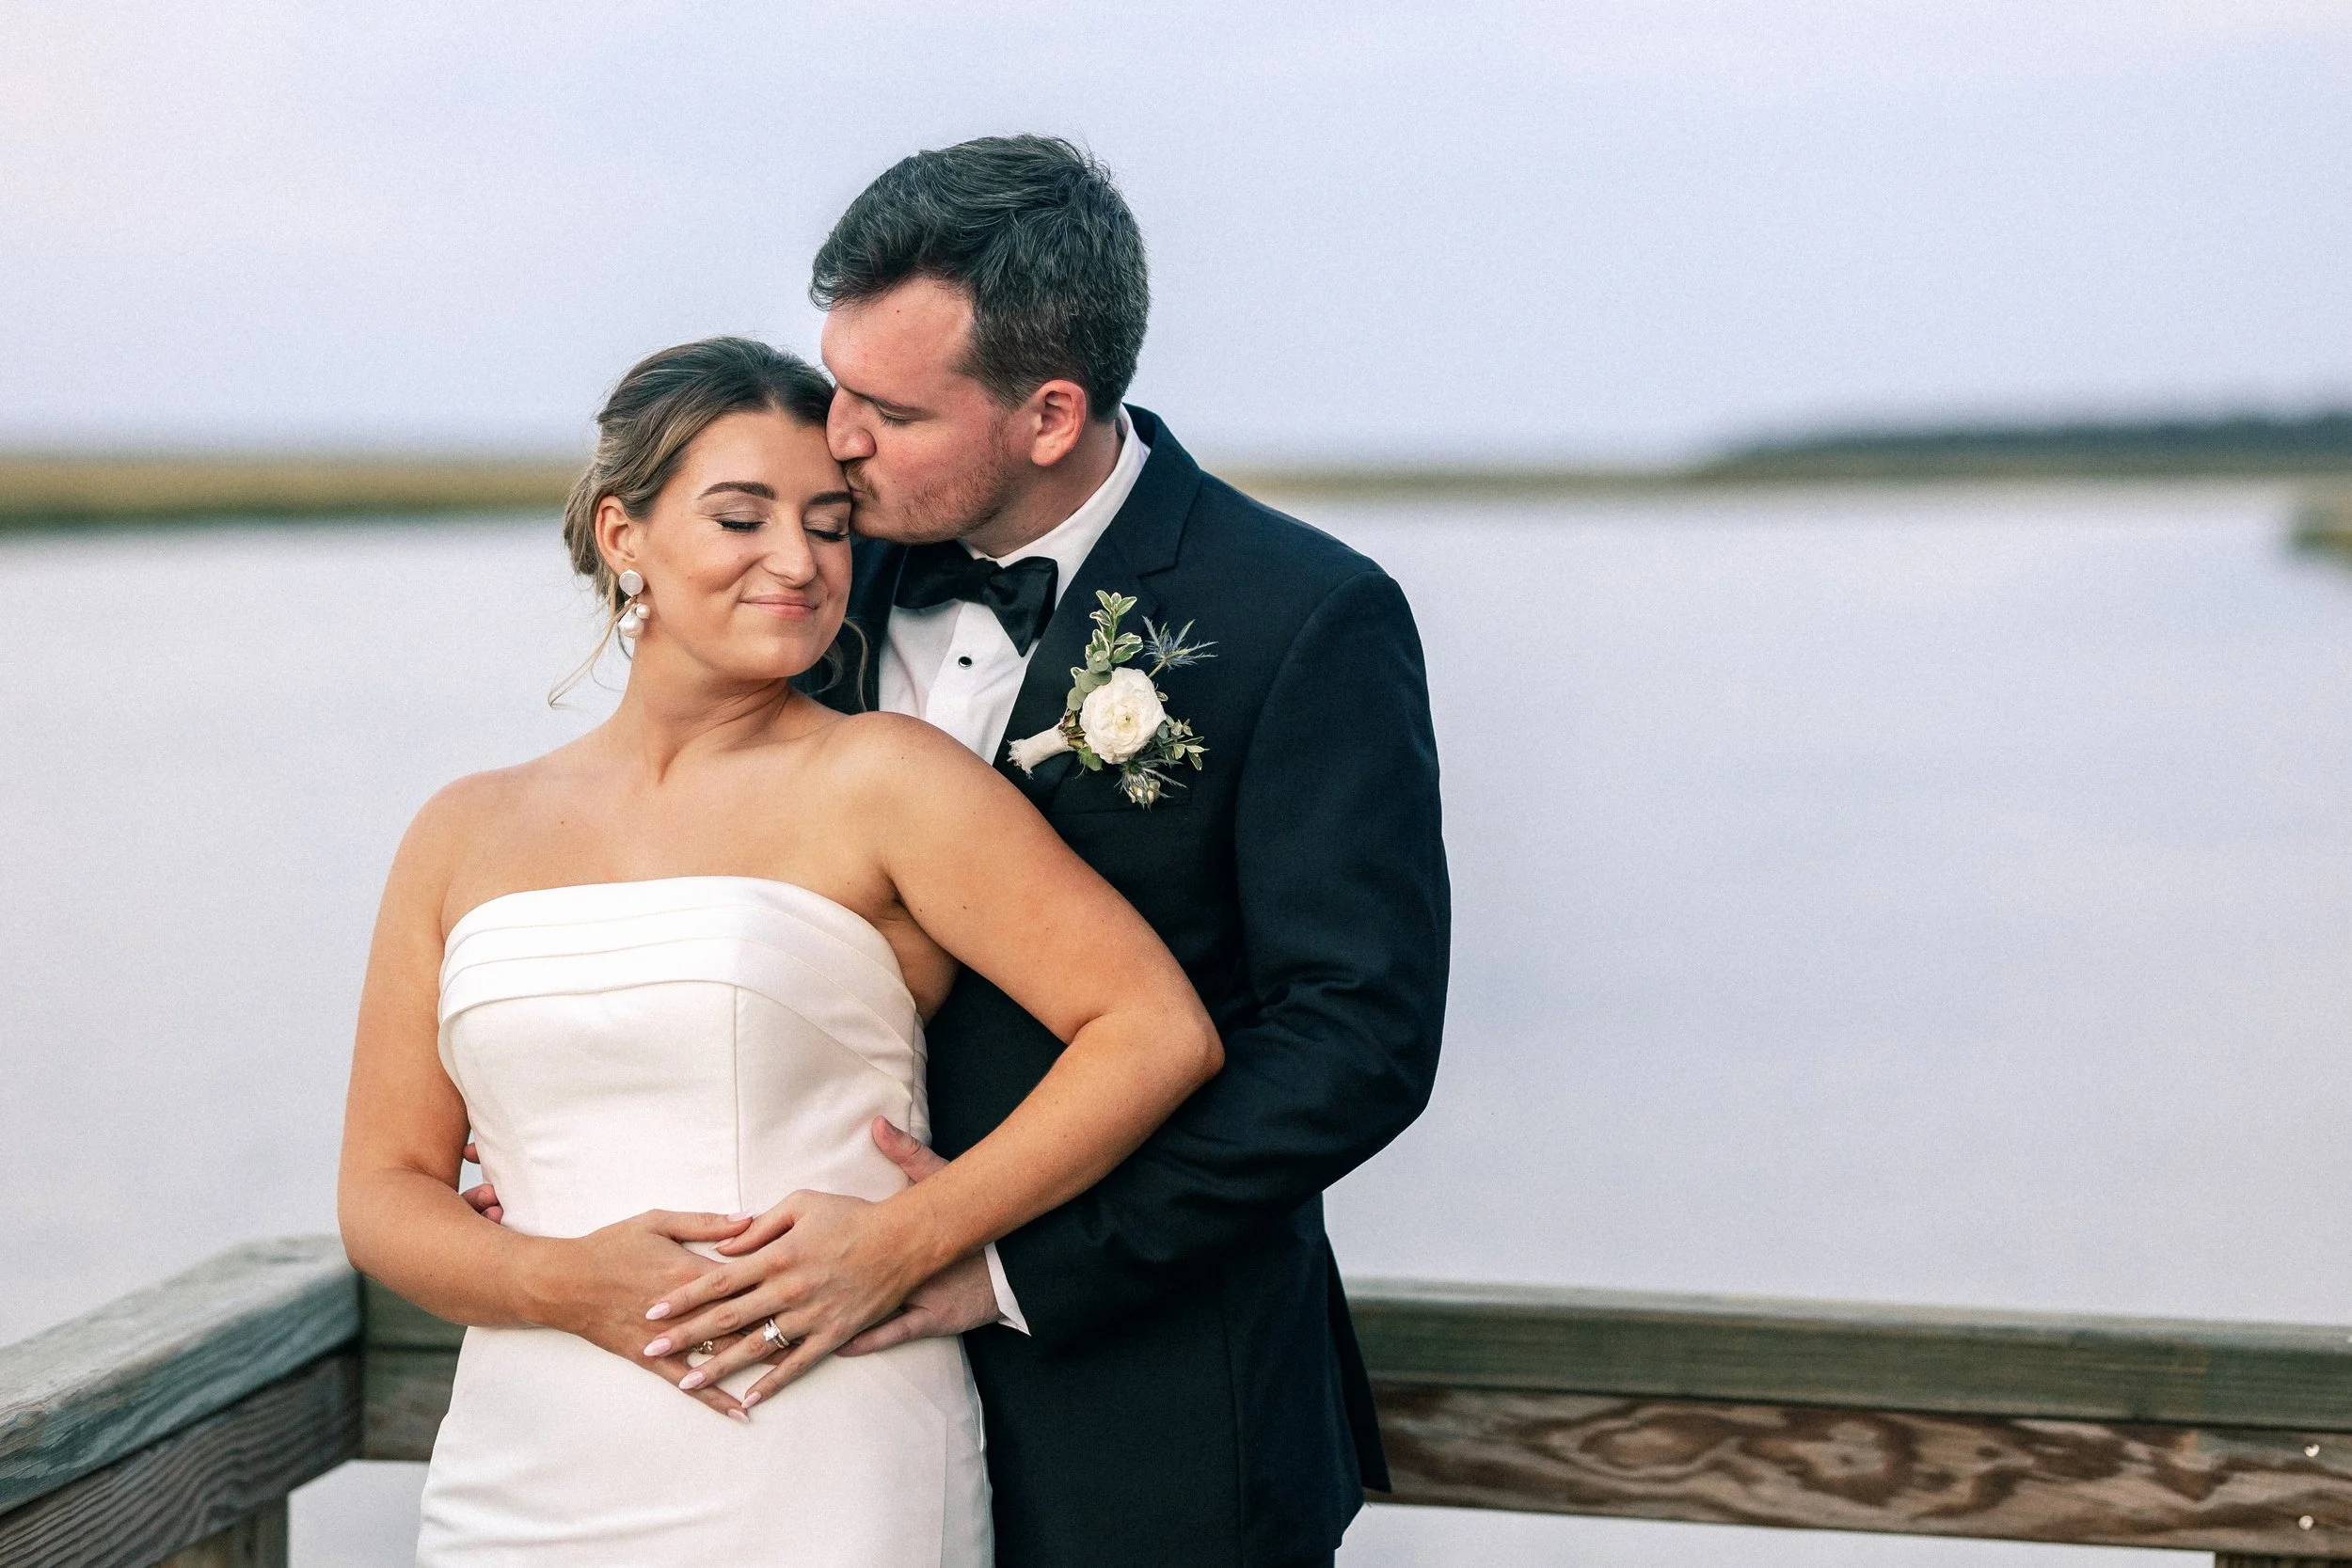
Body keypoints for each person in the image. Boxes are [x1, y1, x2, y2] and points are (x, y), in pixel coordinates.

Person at [336, 335, 1225, 1567]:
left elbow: (1152, 1028)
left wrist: (909, 1238)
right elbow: (383, 1192)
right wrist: (558, 1280)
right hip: (527, 1462)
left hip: (818, 1450)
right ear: (622, 531)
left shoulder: (890, 780)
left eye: (828, 521)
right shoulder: (461, 827)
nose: (799, 562)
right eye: (741, 518)